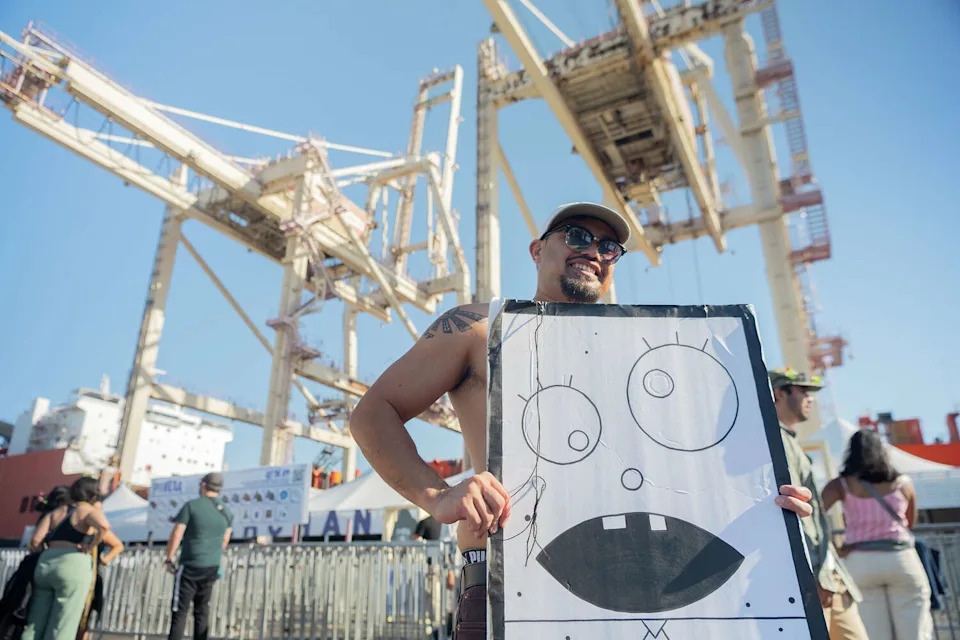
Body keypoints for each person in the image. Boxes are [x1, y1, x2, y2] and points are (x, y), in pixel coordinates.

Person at [349, 201, 816, 639]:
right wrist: (438, 495)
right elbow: (373, 414)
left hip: (672, 592)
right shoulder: (476, 329)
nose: (593, 250)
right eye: (576, 236)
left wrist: (766, 509)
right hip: (507, 581)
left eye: (608, 246)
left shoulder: (664, 352)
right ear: (537, 250)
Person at [769, 368, 868, 640]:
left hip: (830, 576)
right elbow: (793, 511)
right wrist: (813, 571)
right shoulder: (775, 442)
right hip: (817, 577)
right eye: (804, 391)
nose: (811, 399)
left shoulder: (788, 441)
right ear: (779, 393)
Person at [821, 429, 933, 640]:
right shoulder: (902, 483)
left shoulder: (842, 484)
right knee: (915, 632)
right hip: (900, 559)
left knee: (873, 632)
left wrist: (835, 549)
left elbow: (814, 516)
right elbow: (911, 522)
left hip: (859, 560)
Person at [21, 477, 119, 640]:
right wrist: (91, 545)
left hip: (46, 564)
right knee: (63, 623)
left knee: (35, 622)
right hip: (73, 564)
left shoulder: (56, 512)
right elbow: (104, 526)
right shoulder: (86, 510)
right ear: (93, 494)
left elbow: (36, 541)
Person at [164, 473, 232, 640]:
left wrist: (169, 557)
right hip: (211, 566)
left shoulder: (192, 506)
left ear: (203, 485)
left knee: (179, 611)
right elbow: (225, 540)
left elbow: (177, 533)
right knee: (202, 611)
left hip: (190, 564)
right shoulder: (226, 511)